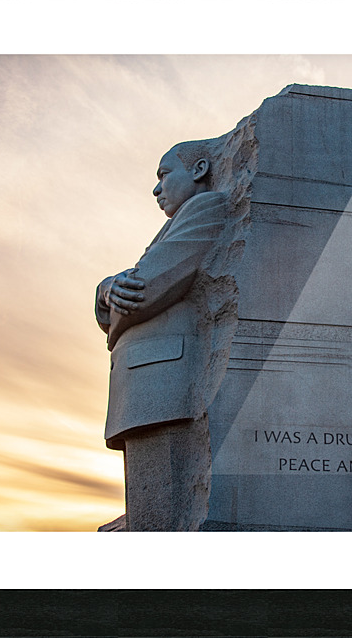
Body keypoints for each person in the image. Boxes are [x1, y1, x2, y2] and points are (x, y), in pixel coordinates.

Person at [95, 140, 229, 530]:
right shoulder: (172, 226)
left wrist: (113, 298)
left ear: (200, 169)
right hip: (146, 382)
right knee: (149, 517)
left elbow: (143, 292)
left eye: (164, 174)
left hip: (161, 381)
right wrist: (106, 287)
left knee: (161, 523)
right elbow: (123, 290)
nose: (156, 189)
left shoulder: (206, 207)